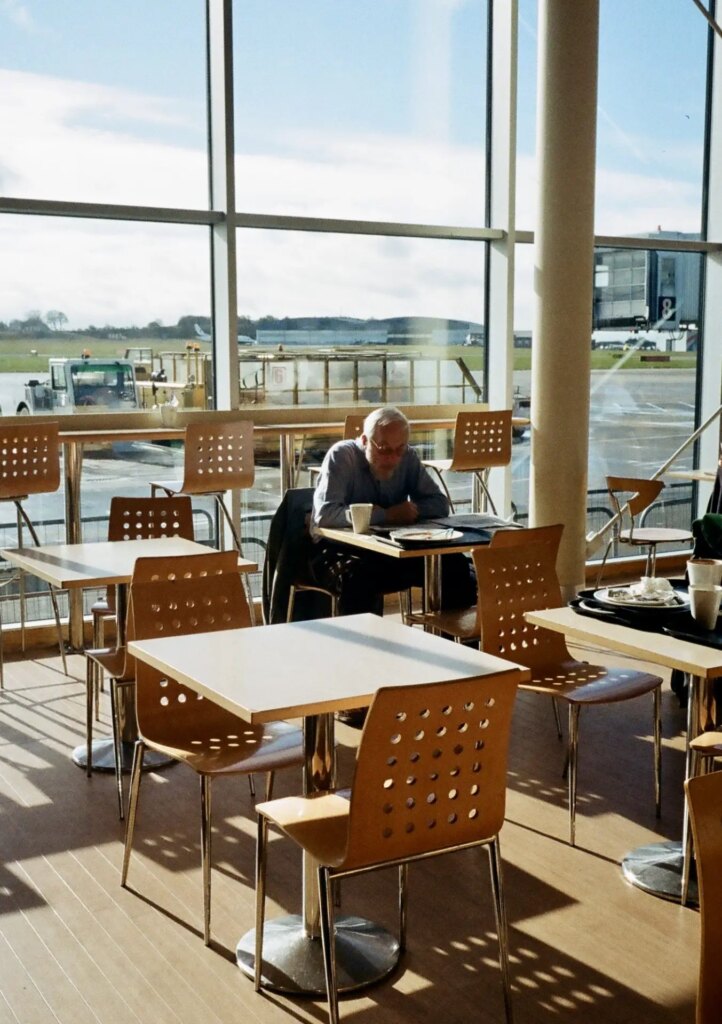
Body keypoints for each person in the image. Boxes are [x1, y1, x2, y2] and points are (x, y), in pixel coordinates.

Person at [309, 406, 477, 617]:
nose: (393, 458)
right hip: (337, 551)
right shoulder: (343, 456)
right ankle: (366, 649)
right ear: (364, 441)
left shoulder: (407, 456)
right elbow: (325, 516)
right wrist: (387, 515)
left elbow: (439, 503)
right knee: (360, 578)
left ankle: (453, 645)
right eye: (384, 449)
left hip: (388, 550)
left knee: (455, 566)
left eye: (399, 449)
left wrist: (412, 511)